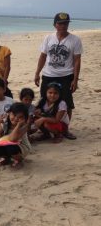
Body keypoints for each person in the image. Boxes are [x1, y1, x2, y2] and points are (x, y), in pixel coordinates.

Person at [34, 12, 83, 140]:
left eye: (66, 23)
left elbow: (77, 60)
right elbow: (43, 56)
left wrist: (75, 79)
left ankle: (65, 130)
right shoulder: (48, 38)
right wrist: (37, 73)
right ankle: (46, 130)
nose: (63, 26)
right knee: (45, 100)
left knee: (67, 103)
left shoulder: (75, 40)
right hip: (48, 74)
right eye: (60, 23)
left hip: (66, 75)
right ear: (55, 24)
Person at [0, 102, 32, 169]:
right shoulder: (5, 123)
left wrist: (18, 125)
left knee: (10, 147)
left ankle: (19, 160)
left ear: (25, 118)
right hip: (8, 144)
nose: (16, 118)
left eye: (20, 117)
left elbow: (12, 139)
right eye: (14, 115)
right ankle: (6, 158)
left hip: (22, 147)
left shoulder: (24, 126)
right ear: (9, 113)